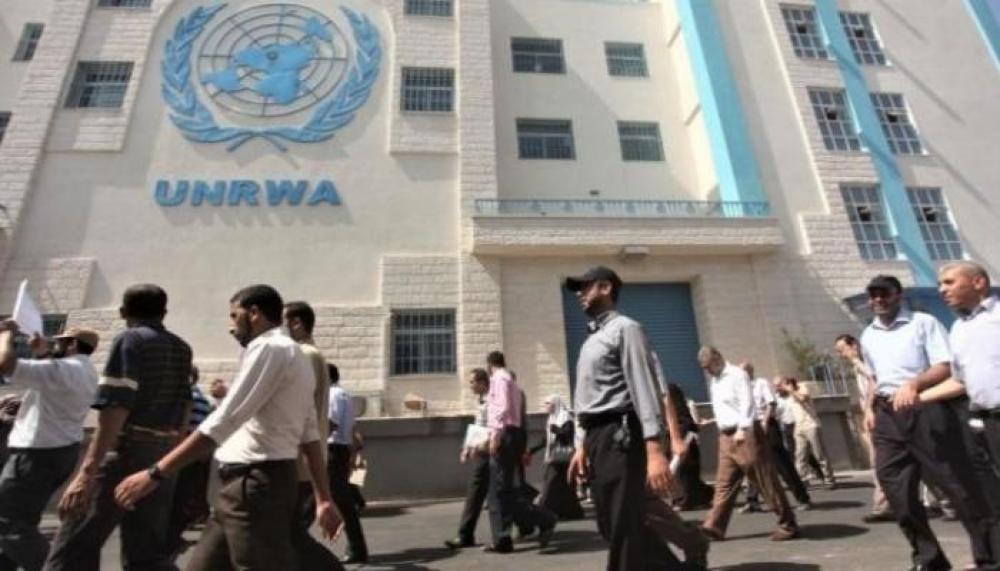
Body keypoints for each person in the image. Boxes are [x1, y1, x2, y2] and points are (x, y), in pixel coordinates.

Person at [112, 284, 341, 570]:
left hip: (253, 485)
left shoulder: (268, 347)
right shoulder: (295, 355)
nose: (231, 327)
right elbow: (310, 433)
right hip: (246, 487)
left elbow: (224, 420)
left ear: (254, 313)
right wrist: (323, 498)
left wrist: (155, 473)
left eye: (234, 316)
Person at [45, 284, 193, 571]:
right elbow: (185, 404)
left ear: (123, 312)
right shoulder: (181, 347)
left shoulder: (130, 340)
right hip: (161, 455)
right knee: (146, 552)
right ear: (164, 312)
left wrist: (86, 473)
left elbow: (116, 405)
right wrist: (170, 457)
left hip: (126, 450)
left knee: (74, 546)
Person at [860, 274, 1000, 570]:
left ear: (898, 295)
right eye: (873, 295)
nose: (878, 299)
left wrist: (914, 384)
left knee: (956, 483)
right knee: (894, 486)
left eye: (884, 293)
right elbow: (874, 377)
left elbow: (945, 366)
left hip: (926, 407)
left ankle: (988, 556)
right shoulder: (868, 334)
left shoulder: (923, 323)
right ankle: (928, 558)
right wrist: (870, 409)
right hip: (887, 414)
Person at [563, 266, 673, 570]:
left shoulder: (626, 329)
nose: (579, 294)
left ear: (605, 287)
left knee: (622, 520)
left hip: (620, 434)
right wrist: (582, 444)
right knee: (610, 521)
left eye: (585, 287)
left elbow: (643, 386)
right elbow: (585, 398)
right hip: (596, 437)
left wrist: (654, 449)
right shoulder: (592, 339)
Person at [0, 323, 99, 571]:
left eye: (59, 342)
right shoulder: (86, 371)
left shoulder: (63, 369)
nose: (55, 345)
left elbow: (6, 365)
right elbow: (51, 376)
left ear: (72, 344)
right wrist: (41, 351)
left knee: (8, 522)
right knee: (24, 520)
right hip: (61, 451)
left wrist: (5, 335)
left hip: (36, 454)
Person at [921, 262, 1000, 524]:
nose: (942, 290)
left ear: (978, 283)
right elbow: (960, 381)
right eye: (939, 285)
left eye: (949, 282)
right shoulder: (958, 330)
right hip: (986, 422)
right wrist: (917, 397)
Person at [698, 346, 798, 542]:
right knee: (724, 483)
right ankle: (713, 526)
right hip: (726, 436)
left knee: (764, 479)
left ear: (717, 358)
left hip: (744, 434)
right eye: (704, 368)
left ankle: (788, 524)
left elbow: (747, 403)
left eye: (708, 366)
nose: (707, 371)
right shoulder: (715, 381)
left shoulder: (737, 375)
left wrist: (743, 429)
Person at [284, 301, 346, 570]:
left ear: (297, 323)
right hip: (303, 458)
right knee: (288, 535)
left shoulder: (304, 354)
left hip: (300, 461)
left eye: (281, 322)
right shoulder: (310, 354)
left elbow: (299, 409)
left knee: (288, 536)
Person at [483, 351, 556, 553]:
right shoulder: (512, 382)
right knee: (504, 490)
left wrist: (495, 435)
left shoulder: (499, 379)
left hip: (505, 435)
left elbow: (501, 407)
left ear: (490, 365)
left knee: (501, 490)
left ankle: (543, 519)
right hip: (513, 435)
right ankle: (504, 538)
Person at [834, 334, 893, 523]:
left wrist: (868, 410)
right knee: (879, 462)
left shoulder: (867, 362)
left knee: (881, 462)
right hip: (872, 418)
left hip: (881, 414)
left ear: (854, 346)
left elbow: (874, 382)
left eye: (842, 350)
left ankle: (944, 500)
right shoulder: (858, 366)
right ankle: (883, 506)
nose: (841, 355)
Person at [741, 363, 811, 513]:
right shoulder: (740, 388)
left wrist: (765, 423)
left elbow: (771, 404)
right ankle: (752, 500)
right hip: (750, 427)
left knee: (782, 463)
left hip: (767, 425)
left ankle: (803, 498)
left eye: (744, 371)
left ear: (750, 372)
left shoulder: (761, 383)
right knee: (753, 464)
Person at [164, 366, 215, 558]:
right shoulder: (203, 399)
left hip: (181, 454)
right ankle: (174, 538)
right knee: (183, 498)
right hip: (194, 456)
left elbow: (183, 428)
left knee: (174, 499)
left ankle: (170, 541)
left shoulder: (188, 396)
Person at [327, 354, 369, 564]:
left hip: (333, 448)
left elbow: (331, 423)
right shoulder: (343, 394)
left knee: (341, 501)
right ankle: (357, 547)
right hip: (341, 449)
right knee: (342, 499)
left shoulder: (332, 394)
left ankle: (357, 548)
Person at [445, 368, 492, 549]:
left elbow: (491, 427)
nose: (470, 385)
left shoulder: (492, 400)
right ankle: (533, 521)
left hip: (488, 452)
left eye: (472, 382)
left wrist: (476, 446)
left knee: (477, 492)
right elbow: (477, 426)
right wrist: (467, 447)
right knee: (501, 492)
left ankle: (464, 535)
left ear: (482, 382)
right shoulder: (481, 400)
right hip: (481, 451)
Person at [777, 376, 836, 489]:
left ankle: (829, 478)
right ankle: (802, 479)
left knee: (819, 454)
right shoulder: (787, 396)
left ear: (790, 384)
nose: (782, 387)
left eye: (783, 385)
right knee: (800, 455)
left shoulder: (802, 388)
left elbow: (802, 399)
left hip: (811, 425)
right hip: (799, 427)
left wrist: (792, 391)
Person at [531, 395, 584, 520]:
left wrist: (555, 429)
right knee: (562, 485)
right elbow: (546, 440)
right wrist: (532, 450)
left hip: (563, 457)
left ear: (555, 404)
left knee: (552, 483)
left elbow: (568, 432)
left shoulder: (565, 416)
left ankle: (547, 512)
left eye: (548, 403)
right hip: (555, 457)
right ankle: (569, 512)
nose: (545, 406)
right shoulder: (552, 418)